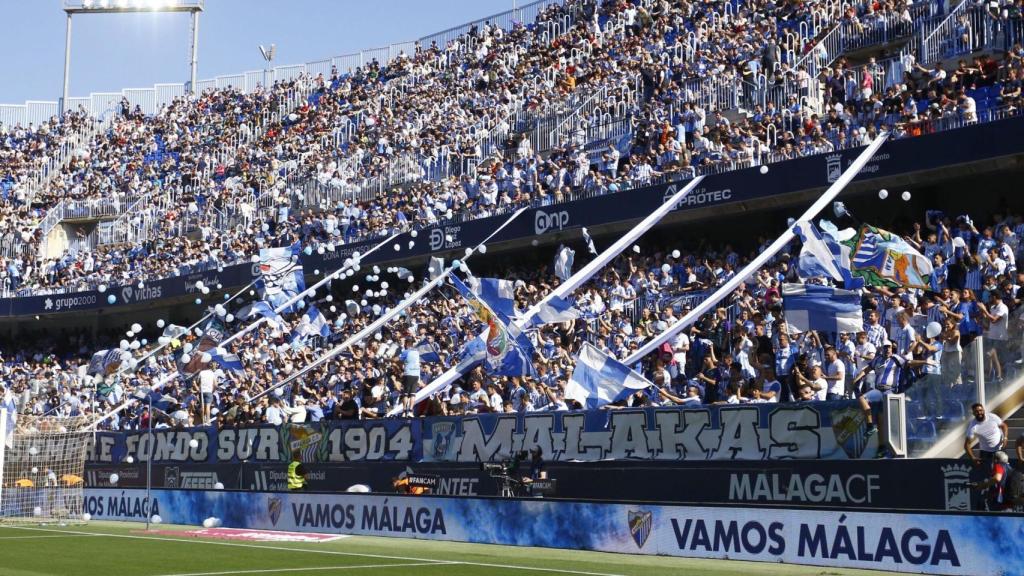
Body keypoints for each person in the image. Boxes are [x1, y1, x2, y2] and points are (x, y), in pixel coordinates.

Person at [398, 338, 421, 417]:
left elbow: (398, 359)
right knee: (413, 394)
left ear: (407, 344)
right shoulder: (417, 352)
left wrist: (389, 359)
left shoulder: (406, 352)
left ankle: (404, 411)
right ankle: (411, 411)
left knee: (405, 394)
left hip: (408, 374)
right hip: (416, 374)